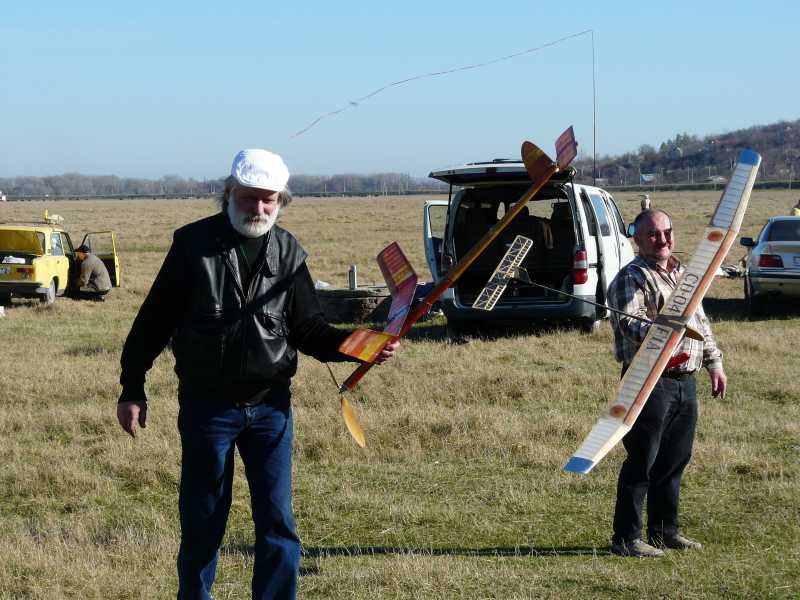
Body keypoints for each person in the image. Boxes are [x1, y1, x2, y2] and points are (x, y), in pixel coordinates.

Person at [116, 148, 399, 599]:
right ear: (229, 193)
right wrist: (133, 389)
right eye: (249, 197)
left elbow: (309, 330)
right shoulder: (192, 247)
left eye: (269, 200)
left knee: (277, 521)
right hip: (207, 408)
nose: (259, 208)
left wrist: (361, 347)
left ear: (281, 200)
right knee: (203, 519)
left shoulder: (289, 252)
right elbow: (152, 323)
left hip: (271, 409)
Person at [606, 209, 726, 558]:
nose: (663, 239)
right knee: (642, 461)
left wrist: (714, 363)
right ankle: (626, 538)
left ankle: (664, 532)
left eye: (667, 231)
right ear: (638, 240)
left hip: (685, 381)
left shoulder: (682, 275)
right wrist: (665, 330)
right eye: (653, 234)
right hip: (649, 380)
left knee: (674, 460)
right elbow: (630, 323)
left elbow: (701, 323)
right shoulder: (631, 277)